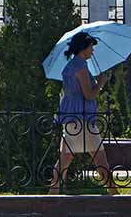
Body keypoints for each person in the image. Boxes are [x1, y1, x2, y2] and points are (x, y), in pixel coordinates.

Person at [48, 31, 118, 195]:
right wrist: (100, 82)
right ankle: (116, 196)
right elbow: (88, 94)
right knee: (100, 159)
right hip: (82, 119)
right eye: (91, 47)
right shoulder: (80, 67)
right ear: (83, 48)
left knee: (66, 158)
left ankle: (52, 193)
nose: (92, 50)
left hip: (73, 118)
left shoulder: (72, 65)